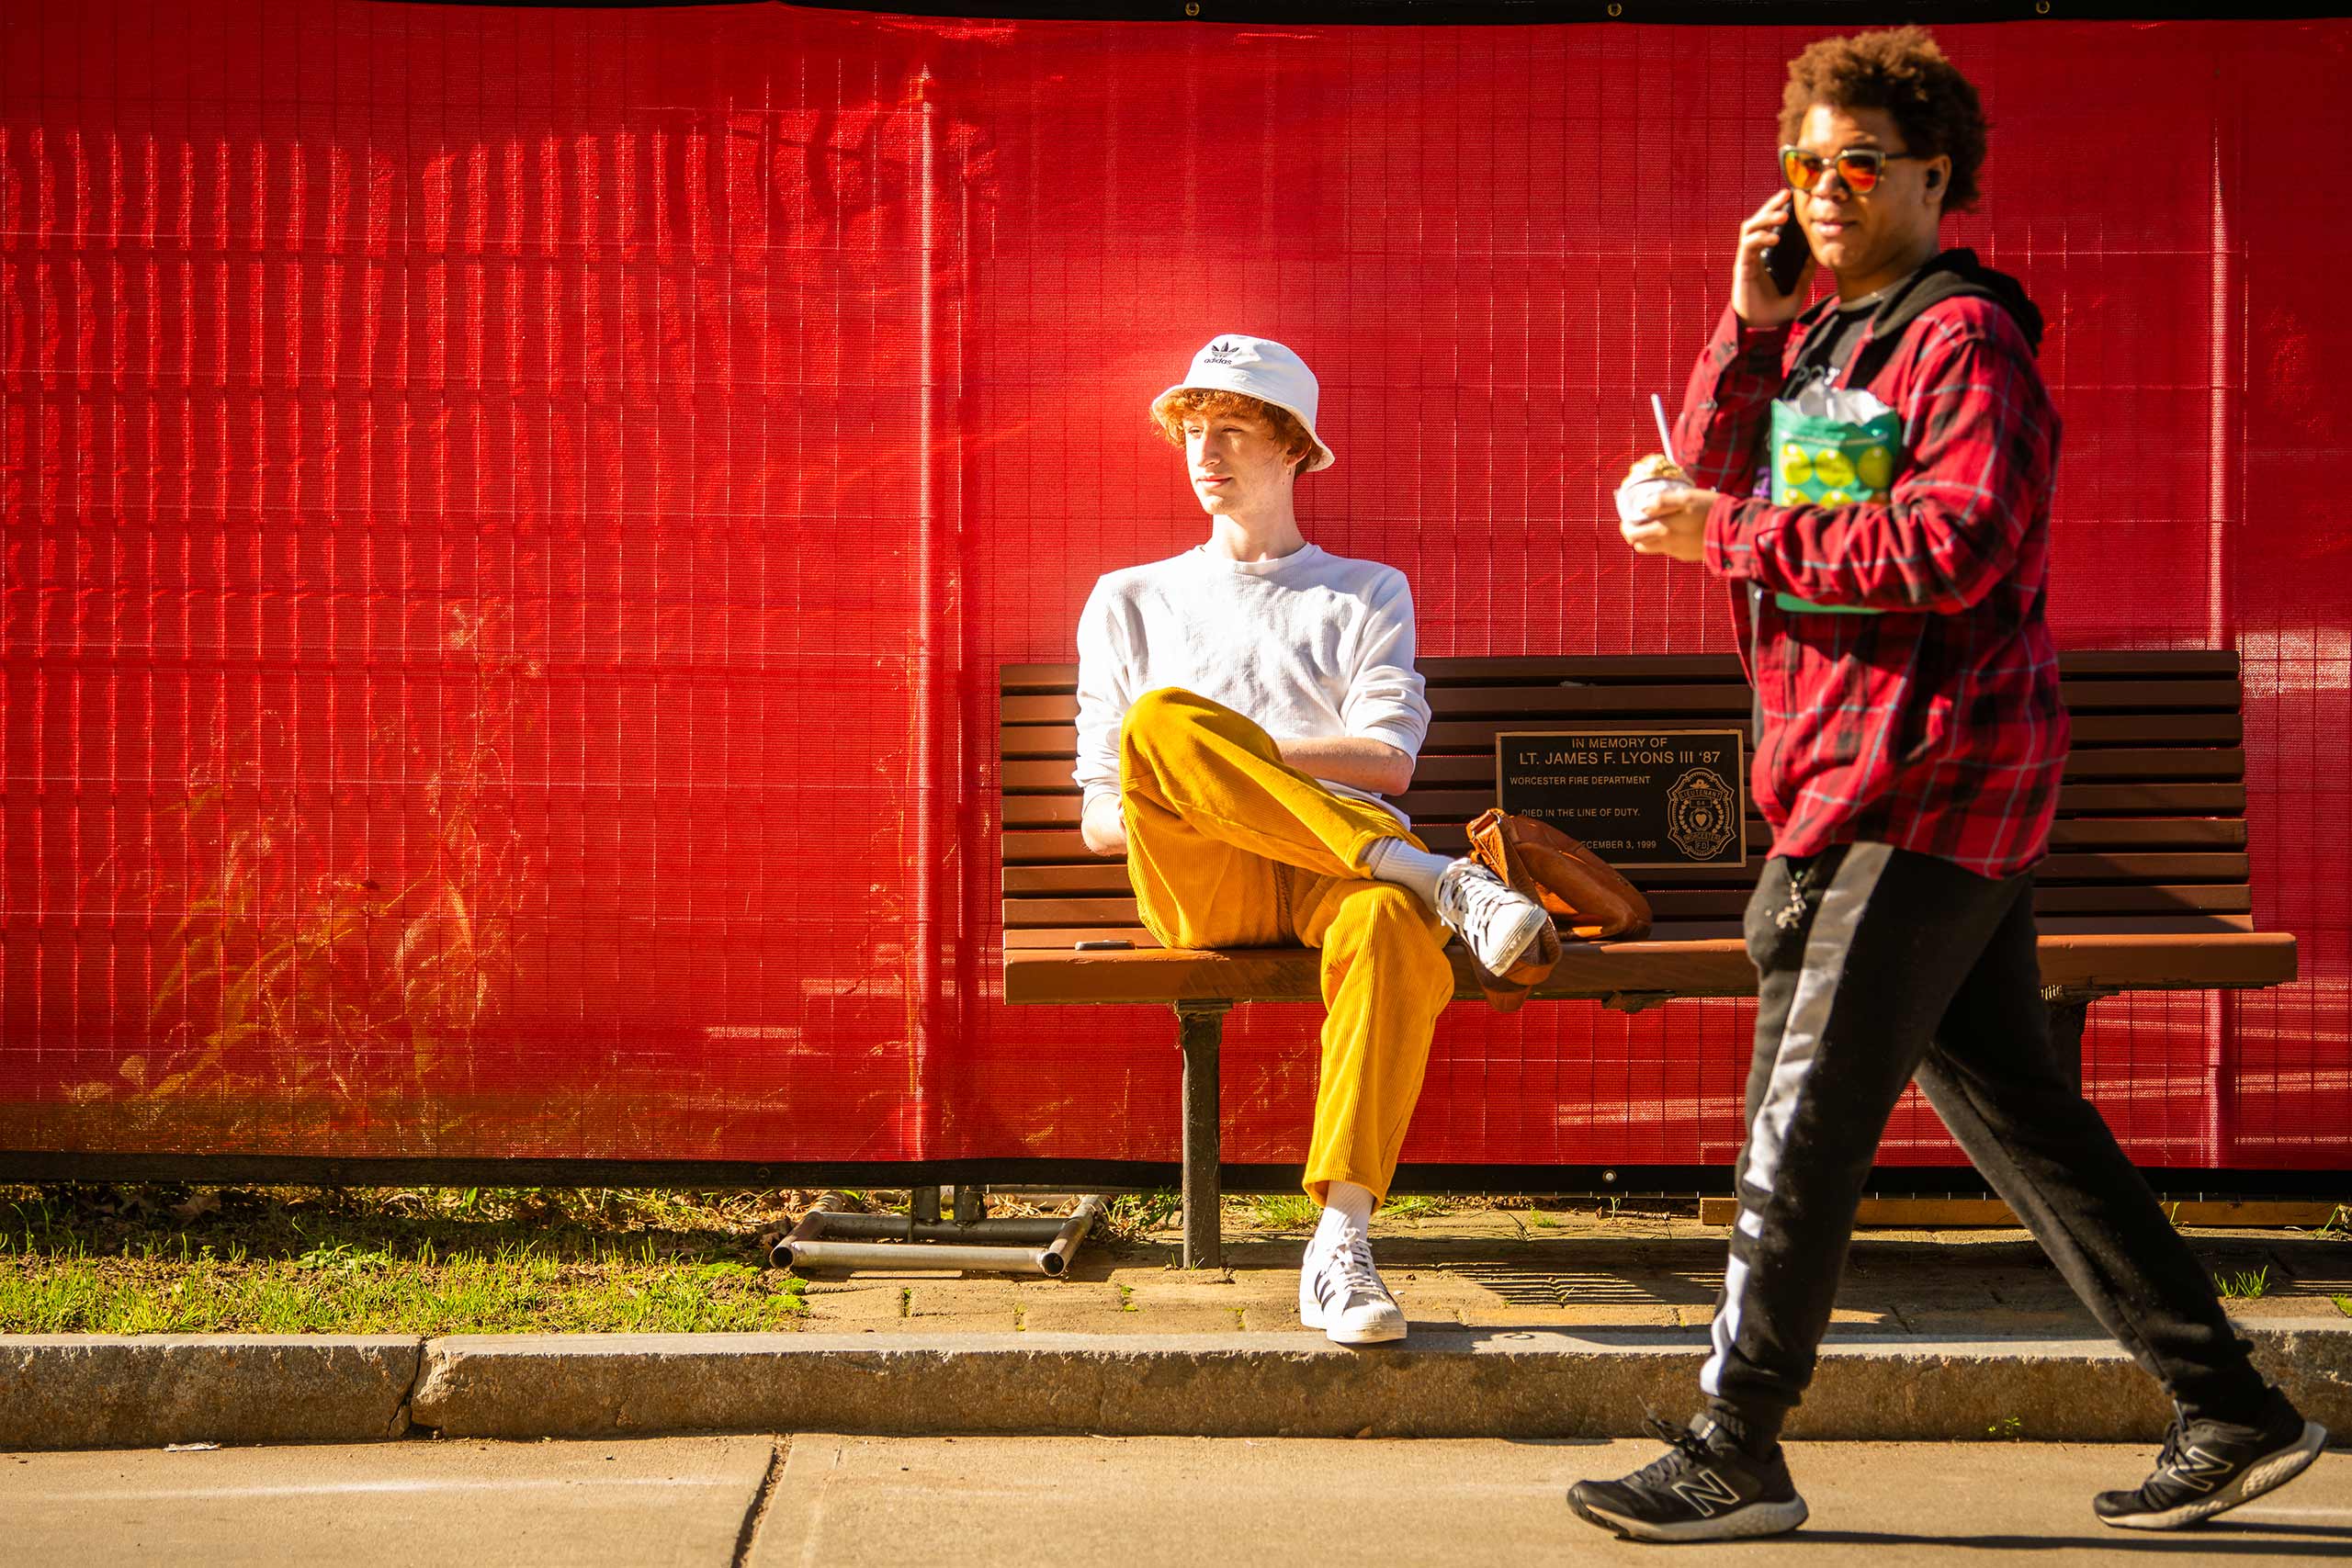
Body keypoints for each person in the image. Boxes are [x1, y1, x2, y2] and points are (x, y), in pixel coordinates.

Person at [1570, 27, 2326, 1542]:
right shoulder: (1842, 344)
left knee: (1798, 1122)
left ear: (1934, 174)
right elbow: (1782, 509)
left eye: (1861, 163)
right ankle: (2231, 1403)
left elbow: (1951, 547)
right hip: (1844, 772)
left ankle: (1736, 1444)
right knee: (2019, 1108)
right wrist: (1747, 331)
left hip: (1919, 786)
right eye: (1807, 164)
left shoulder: (1961, 341)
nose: (1829, 189)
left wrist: (1714, 538)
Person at [1073, 335, 1552, 1346]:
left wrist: (1239, 761)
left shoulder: (1363, 589)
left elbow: (1387, 762)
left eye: (1235, 430)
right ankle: (1435, 877)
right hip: (1202, 882)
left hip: (1337, 881)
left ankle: (1342, 1239)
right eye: (1193, 432)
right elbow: (1102, 814)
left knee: (1387, 927)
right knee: (1159, 721)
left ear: (1294, 449)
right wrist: (1196, 771)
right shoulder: (1129, 597)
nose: (1208, 451)